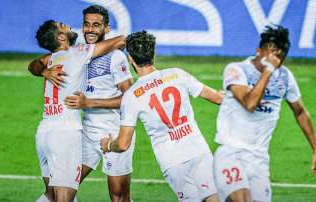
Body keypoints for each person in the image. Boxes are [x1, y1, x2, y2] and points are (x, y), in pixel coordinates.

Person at [100, 31, 222, 202]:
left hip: (172, 162)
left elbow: (122, 144)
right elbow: (217, 98)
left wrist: (108, 145)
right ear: (154, 54)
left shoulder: (131, 96)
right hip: (199, 151)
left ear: (131, 60)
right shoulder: (177, 74)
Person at [29, 5, 134, 202]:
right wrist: (43, 71)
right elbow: (34, 65)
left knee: (118, 197)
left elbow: (131, 99)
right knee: (62, 195)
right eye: (86, 25)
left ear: (106, 28)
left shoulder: (113, 57)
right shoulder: (78, 52)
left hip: (113, 132)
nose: (90, 29)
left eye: (96, 25)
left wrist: (89, 102)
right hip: (78, 133)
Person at [213, 24, 316, 202]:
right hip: (231, 153)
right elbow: (250, 104)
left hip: (259, 160)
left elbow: (299, 111)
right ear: (258, 50)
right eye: (271, 56)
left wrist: (315, 148)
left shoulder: (285, 77)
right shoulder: (236, 70)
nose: (275, 62)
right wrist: (268, 72)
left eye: (280, 58)